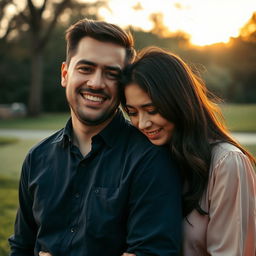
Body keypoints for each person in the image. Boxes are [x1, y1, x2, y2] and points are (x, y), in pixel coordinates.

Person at [8, 19, 182, 256]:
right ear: (65, 74)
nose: (96, 83)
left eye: (111, 73)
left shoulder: (150, 159)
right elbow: (21, 247)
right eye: (86, 69)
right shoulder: (36, 158)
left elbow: (153, 252)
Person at [120, 47, 256, 256]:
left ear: (178, 101)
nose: (142, 123)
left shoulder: (226, 163)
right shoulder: (153, 160)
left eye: (152, 110)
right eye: (132, 113)